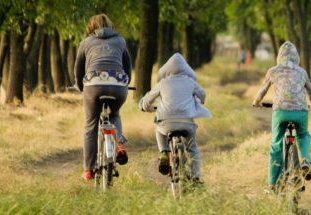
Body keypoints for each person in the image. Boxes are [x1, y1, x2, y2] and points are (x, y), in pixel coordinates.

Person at [252, 42, 311, 193]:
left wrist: (256, 102)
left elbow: (262, 91)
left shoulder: (273, 71)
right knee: (303, 135)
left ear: (279, 57)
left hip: (281, 112)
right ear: (297, 57)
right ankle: (305, 160)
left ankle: (272, 184)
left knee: (276, 144)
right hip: (301, 112)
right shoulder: (302, 72)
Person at [74, 14, 132, 181]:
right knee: (114, 115)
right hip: (118, 84)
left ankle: (88, 169)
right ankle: (119, 143)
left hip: (93, 85)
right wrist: (124, 84)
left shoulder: (85, 43)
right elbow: (128, 67)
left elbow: (78, 71)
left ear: (91, 27)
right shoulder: (121, 41)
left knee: (91, 124)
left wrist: (80, 87)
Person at [138, 53, 211, 183]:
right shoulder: (190, 81)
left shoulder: (163, 83)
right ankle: (195, 176)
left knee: (159, 131)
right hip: (186, 122)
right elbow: (203, 95)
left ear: (167, 70)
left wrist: (144, 106)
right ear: (186, 69)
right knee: (192, 148)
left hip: (166, 123)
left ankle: (164, 153)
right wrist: (198, 101)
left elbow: (147, 100)